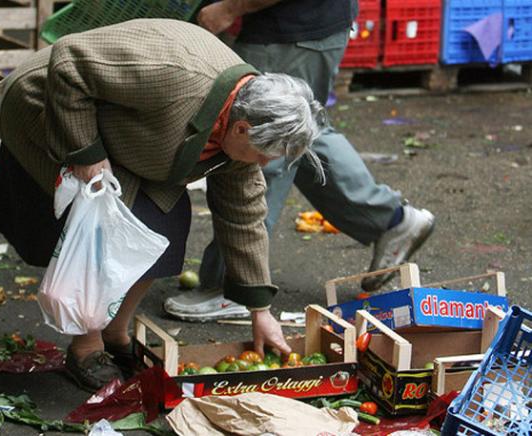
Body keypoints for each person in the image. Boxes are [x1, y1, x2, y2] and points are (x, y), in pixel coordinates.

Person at [0, 18, 327, 392]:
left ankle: (116, 331)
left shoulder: (241, 130)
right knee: (112, 224)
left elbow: (244, 217)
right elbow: (68, 61)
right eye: (264, 154)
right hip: (50, 104)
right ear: (241, 128)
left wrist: (260, 311)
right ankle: (86, 346)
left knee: (167, 222)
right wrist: (85, 152)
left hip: (130, 135)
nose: (264, 164)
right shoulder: (174, 76)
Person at [164, 0, 435, 321]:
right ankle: (389, 219)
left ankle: (234, 288)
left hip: (292, 27)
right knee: (296, 132)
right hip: (306, 26)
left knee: (260, 140)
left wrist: (229, 8)